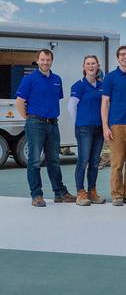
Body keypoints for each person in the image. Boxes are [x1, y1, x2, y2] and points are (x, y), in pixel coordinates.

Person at [16, 49, 76, 206]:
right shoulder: (29, 79)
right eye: (42, 59)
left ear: (52, 61)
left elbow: (55, 99)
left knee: (54, 160)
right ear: (37, 60)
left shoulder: (57, 79)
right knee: (35, 160)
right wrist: (28, 118)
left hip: (53, 124)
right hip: (35, 123)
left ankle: (60, 193)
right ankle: (36, 195)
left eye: (48, 60)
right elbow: (19, 101)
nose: (45, 62)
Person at [101, 45, 126, 206]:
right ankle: (117, 194)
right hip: (116, 125)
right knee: (117, 163)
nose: (125, 57)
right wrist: (105, 126)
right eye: (122, 55)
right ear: (117, 58)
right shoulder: (110, 77)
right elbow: (104, 103)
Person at [68, 55, 106, 206]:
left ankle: (92, 191)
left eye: (93, 64)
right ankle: (80, 192)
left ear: (98, 66)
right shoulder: (78, 86)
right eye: (88, 64)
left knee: (95, 162)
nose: (91, 66)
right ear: (84, 67)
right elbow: (71, 107)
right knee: (83, 161)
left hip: (99, 128)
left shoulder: (102, 86)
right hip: (84, 128)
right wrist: (79, 123)